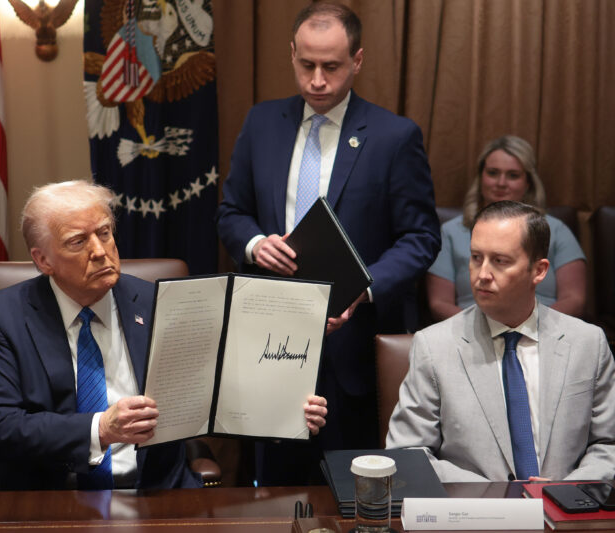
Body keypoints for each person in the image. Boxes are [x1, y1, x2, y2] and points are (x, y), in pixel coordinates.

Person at [0, 180, 329, 490]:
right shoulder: (1, 320)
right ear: (43, 260)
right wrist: (101, 428)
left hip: (157, 492)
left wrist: (283, 412)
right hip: (54, 499)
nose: (100, 251)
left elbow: (214, 393)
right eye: (77, 242)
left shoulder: (161, 303)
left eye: (104, 233)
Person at [215, 2, 440, 482]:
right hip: (270, 338)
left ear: (357, 60)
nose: (317, 80)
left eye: (332, 66)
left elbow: (421, 238)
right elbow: (231, 212)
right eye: (307, 64)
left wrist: (364, 287)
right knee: (273, 488)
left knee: (349, 485)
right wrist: (255, 244)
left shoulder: (394, 137)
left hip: (351, 348)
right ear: (292, 54)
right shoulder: (262, 123)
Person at [387, 201, 615, 482]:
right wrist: (498, 496)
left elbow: (609, 444)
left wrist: (566, 490)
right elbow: (408, 452)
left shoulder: (588, 343)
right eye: (476, 257)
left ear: (539, 270)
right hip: (475, 506)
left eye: (500, 261)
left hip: (567, 505)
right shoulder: (434, 347)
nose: (482, 274)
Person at [426, 135, 586, 321]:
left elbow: (574, 299)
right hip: (471, 329)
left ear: (528, 182)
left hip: (544, 329)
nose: (501, 183)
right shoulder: (450, 232)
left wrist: (530, 328)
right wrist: (484, 329)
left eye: (513, 175)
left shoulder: (556, 230)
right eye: (493, 173)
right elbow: (439, 303)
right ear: (481, 177)